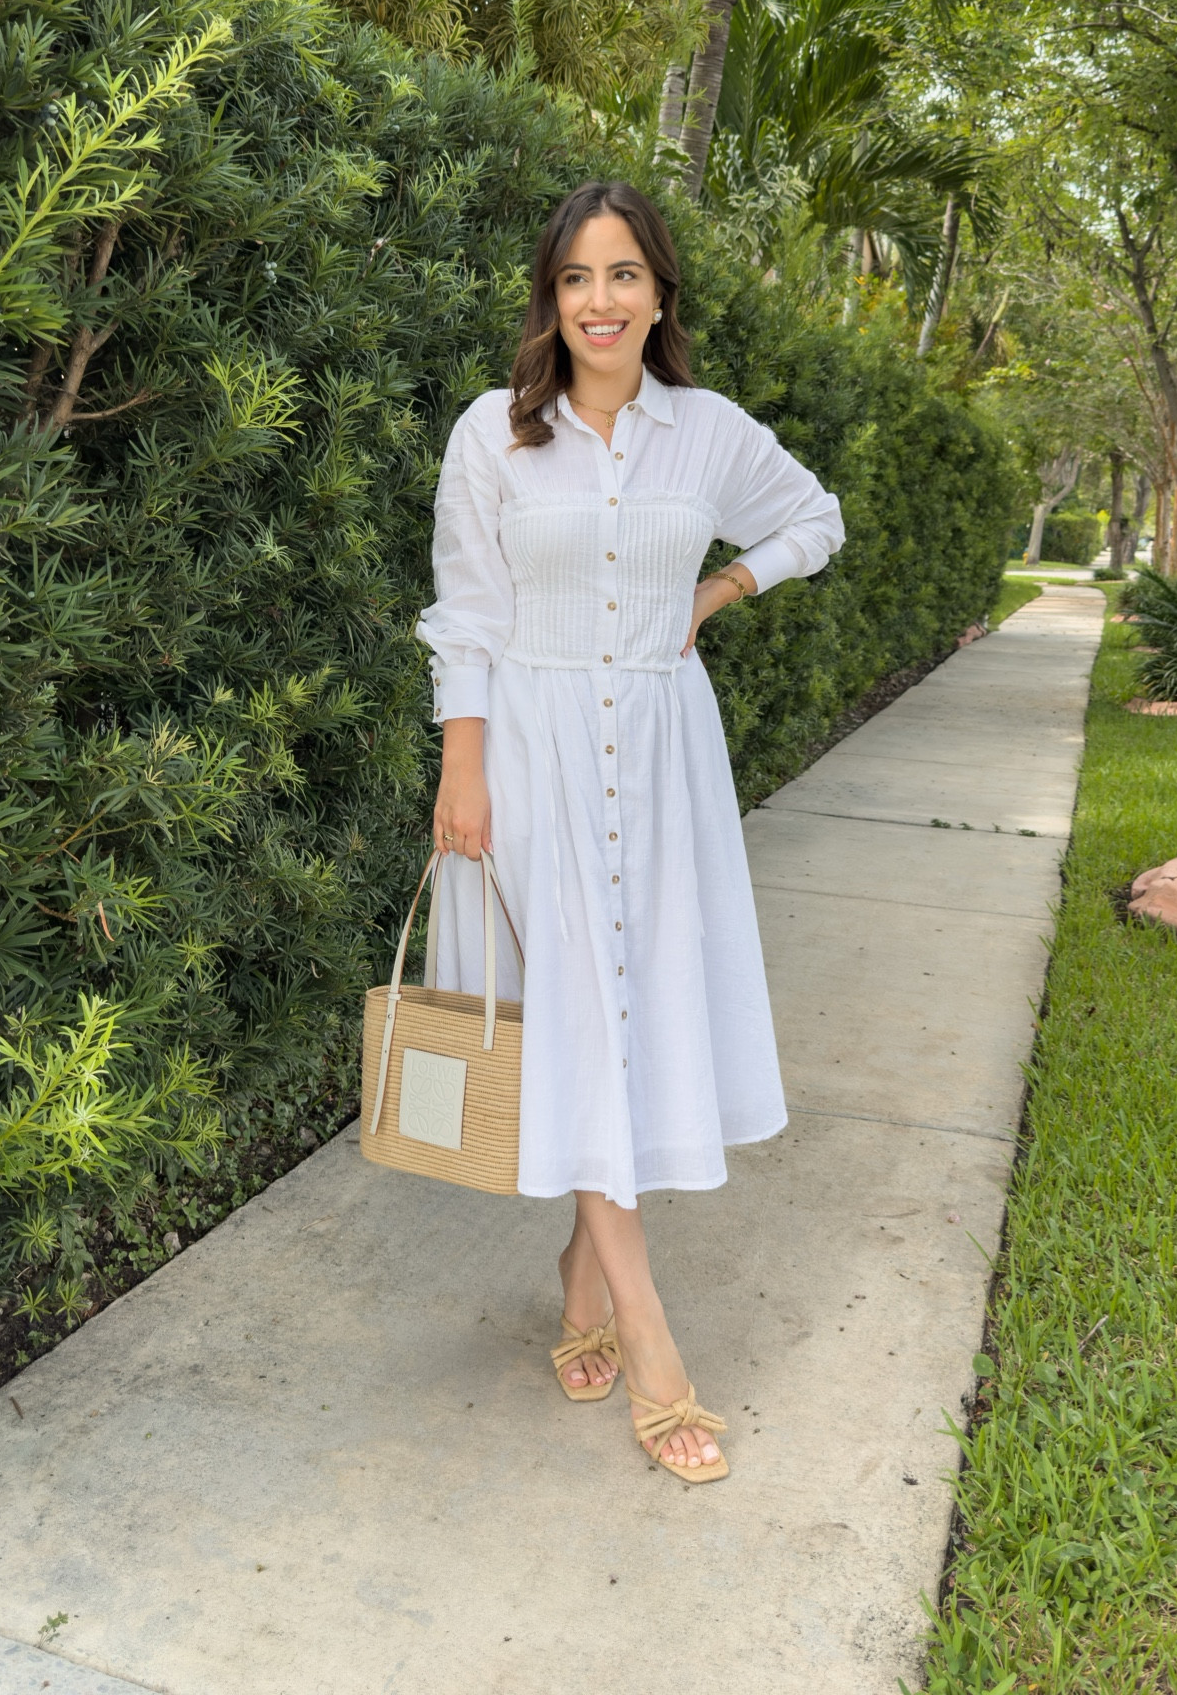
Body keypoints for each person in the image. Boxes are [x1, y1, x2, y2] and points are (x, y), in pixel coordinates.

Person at [417, 180, 843, 1482]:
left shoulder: (707, 435)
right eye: (575, 280)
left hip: (660, 767)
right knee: (580, 1028)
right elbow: (465, 615)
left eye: (623, 277)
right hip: (531, 764)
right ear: (552, 299)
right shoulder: (493, 435)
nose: (599, 303)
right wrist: (463, 769)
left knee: (631, 1021)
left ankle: (584, 1273)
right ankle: (650, 1336)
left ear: (660, 292)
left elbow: (813, 519)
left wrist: (721, 584)